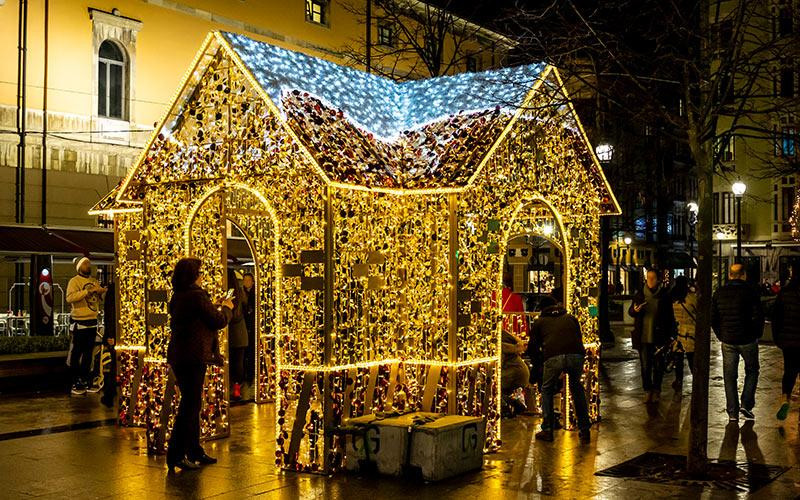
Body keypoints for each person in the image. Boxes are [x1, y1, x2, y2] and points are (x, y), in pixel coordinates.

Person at [166, 257, 233, 472]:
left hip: (180, 355)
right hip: (193, 357)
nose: (203, 277)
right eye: (200, 273)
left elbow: (199, 317)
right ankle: (176, 454)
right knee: (189, 406)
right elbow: (217, 320)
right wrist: (226, 308)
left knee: (192, 404)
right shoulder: (196, 295)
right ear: (194, 275)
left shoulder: (179, 295)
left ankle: (193, 450)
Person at [528, 296, 591, 443]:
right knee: (577, 389)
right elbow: (579, 338)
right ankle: (584, 429)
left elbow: (532, 348)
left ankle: (548, 429)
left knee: (547, 389)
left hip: (553, 356)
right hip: (576, 355)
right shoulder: (570, 318)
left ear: (542, 309)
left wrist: (541, 361)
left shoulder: (539, 322)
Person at [712, 263, 764, 422]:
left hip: (727, 339)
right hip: (747, 339)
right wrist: (756, 334)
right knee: (752, 370)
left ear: (730, 275)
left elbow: (713, 317)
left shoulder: (719, 292)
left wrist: (721, 334)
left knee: (729, 376)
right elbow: (758, 315)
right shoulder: (751, 292)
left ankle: (732, 412)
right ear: (743, 275)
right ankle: (746, 404)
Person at [629, 269, 675, 403]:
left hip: (659, 337)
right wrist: (635, 310)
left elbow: (669, 317)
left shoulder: (664, 296)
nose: (650, 281)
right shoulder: (640, 295)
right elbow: (631, 311)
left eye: (653, 278)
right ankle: (647, 390)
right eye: (648, 278)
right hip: (643, 336)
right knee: (645, 366)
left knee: (658, 366)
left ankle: (657, 390)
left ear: (658, 279)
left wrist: (671, 335)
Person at [66, 257, 107, 396]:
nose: (88, 265)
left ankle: (85, 379)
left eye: (89, 263)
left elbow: (97, 299)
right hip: (79, 323)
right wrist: (87, 292)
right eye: (85, 263)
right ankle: (75, 380)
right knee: (77, 352)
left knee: (89, 353)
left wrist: (101, 292)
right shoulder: (74, 281)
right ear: (79, 267)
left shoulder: (94, 280)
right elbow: (69, 298)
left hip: (92, 322)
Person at [772, 266, 800, 421]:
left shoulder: (785, 292)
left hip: (789, 342)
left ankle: (785, 398)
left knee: (789, 371)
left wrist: (778, 338)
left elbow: (776, 317)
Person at [671, 276, 697, 392]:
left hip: (677, 332)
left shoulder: (672, 298)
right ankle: (696, 381)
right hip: (690, 332)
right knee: (692, 359)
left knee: (678, 360)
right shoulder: (691, 298)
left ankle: (678, 380)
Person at [227, 269, 248, 401]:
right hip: (241, 334)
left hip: (231, 333)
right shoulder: (240, 292)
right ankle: (236, 390)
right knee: (238, 363)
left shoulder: (229, 293)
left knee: (230, 364)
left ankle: (228, 390)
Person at [501, 328, 531, 415]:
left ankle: (510, 405)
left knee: (495, 388)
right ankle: (513, 405)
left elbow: (501, 365)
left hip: (514, 374)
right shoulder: (513, 347)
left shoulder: (502, 348)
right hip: (521, 373)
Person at [100, 280, 117, 408]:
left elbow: (109, 315)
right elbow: (110, 315)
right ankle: (110, 394)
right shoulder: (114, 291)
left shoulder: (112, 291)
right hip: (115, 334)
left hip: (114, 334)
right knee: (115, 366)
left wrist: (110, 335)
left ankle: (109, 394)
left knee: (114, 366)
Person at [242, 272, 256, 390]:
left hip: (252, 326)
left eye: (248, 280)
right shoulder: (242, 293)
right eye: (244, 280)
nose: (246, 282)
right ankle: (247, 375)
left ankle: (250, 375)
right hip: (246, 325)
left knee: (251, 351)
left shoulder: (254, 293)